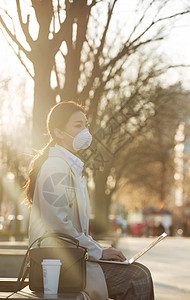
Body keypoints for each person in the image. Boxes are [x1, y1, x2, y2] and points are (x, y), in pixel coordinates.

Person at [25, 101, 154, 300]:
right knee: (137, 277)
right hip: (57, 264)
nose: (85, 131)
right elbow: (58, 225)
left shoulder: (69, 166)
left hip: (71, 259)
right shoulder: (56, 167)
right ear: (58, 132)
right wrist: (99, 251)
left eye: (85, 125)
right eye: (77, 125)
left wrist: (99, 250)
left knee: (139, 273)